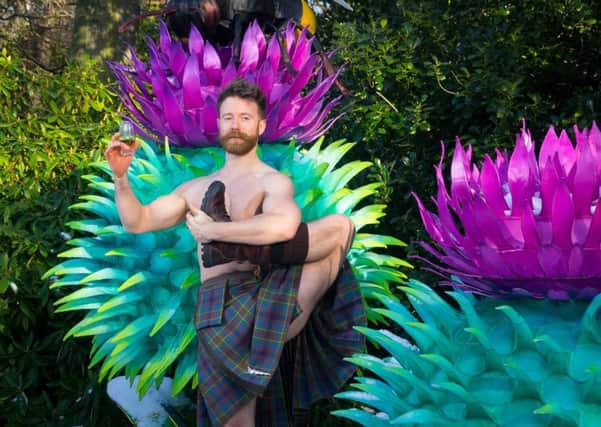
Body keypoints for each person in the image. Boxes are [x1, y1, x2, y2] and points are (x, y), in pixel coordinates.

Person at [105, 77, 365, 426]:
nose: (235, 125)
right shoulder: (195, 189)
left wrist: (215, 232)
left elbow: (284, 227)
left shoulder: (273, 181)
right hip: (217, 309)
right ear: (218, 125)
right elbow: (139, 221)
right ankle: (246, 253)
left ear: (260, 126)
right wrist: (121, 180)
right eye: (228, 117)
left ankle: (241, 250)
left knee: (340, 229)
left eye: (245, 118)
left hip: (264, 295)